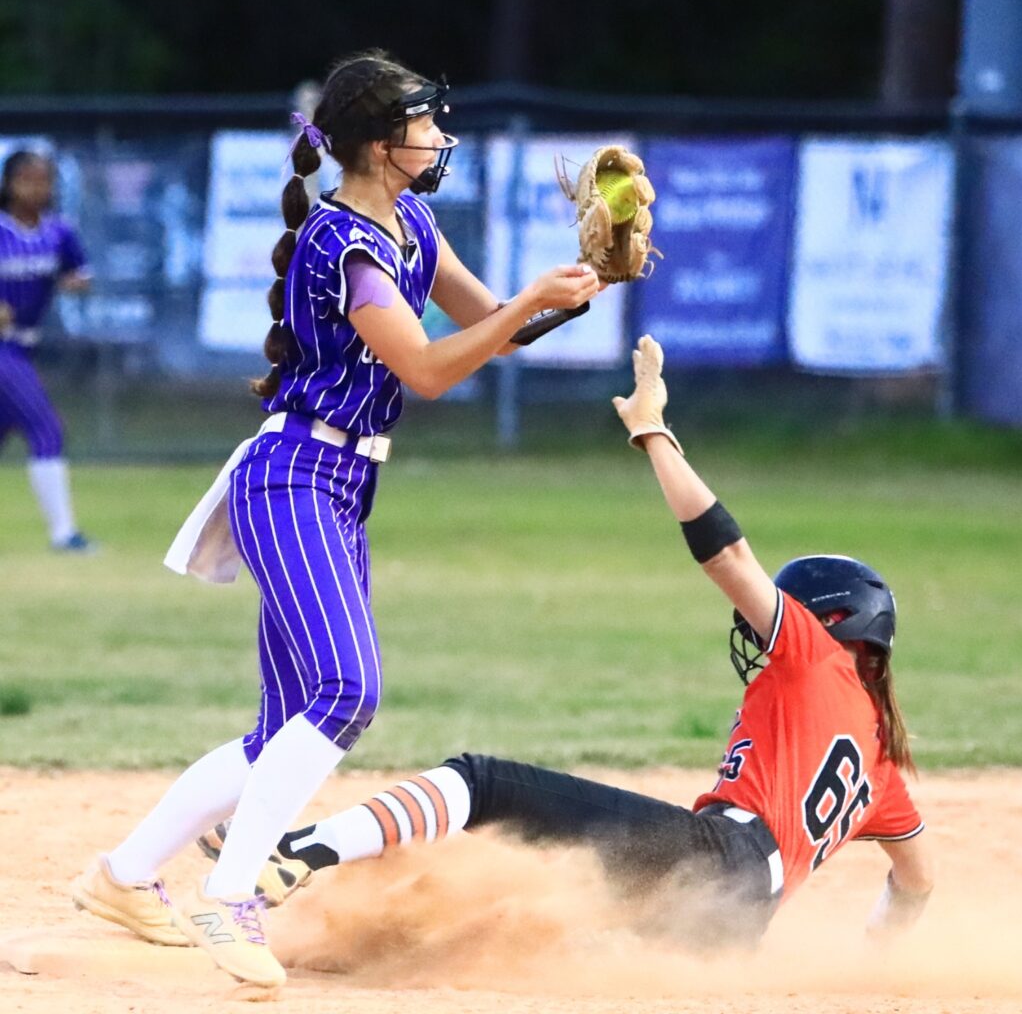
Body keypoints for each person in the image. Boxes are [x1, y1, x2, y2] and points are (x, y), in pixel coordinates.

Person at [71, 49, 600, 989]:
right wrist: (527, 299)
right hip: (295, 476)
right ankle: (231, 898)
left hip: (340, 485)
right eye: (421, 121)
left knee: (285, 725)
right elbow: (429, 372)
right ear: (374, 143)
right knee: (348, 690)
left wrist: (591, 278)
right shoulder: (342, 242)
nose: (438, 136)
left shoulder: (413, 224)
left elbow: (500, 331)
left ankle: (124, 875)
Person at [199, 335, 934, 952]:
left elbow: (728, 558)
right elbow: (916, 884)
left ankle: (291, 853)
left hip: (716, 859)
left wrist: (653, 431)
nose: (765, 627)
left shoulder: (816, 655)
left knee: (480, 782)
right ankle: (353, 947)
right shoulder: (881, 758)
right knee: (525, 915)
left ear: (834, 625)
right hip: (729, 928)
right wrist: (875, 959)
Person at [0, 149, 94, 552]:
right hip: (4, 349)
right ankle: (64, 534)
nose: (38, 188)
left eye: (45, 180)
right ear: (9, 183)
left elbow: (81, 273)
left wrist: (72, 282)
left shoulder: (58, 231)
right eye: (28, 179)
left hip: (25, 346)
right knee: (46, 429)